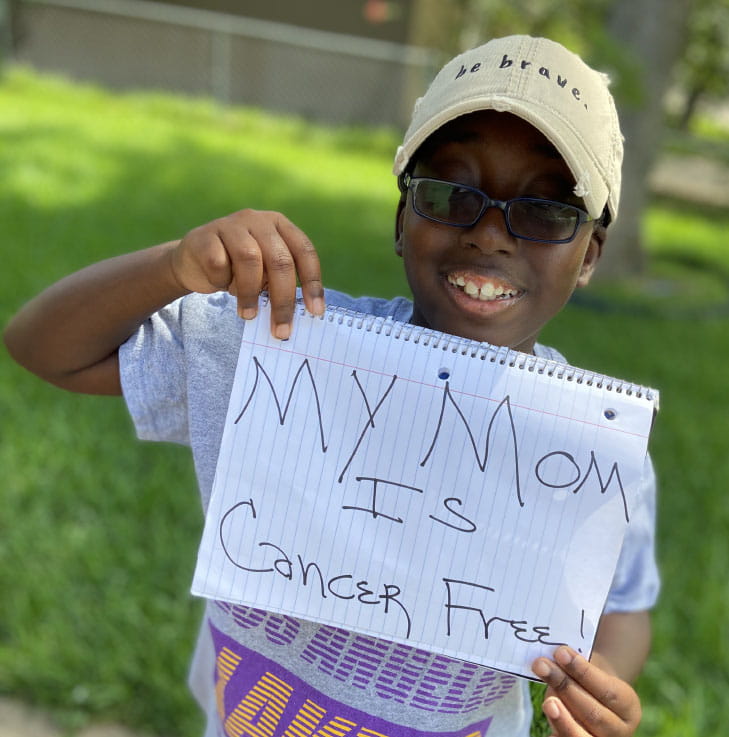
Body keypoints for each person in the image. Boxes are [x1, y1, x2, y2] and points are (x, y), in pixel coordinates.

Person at [4, 35, 658, 737]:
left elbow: (621, 603)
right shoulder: (276, 347)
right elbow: (42, 347)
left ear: (589, 252)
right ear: (402, 217)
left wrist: (604, 684)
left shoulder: (591, 451)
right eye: (449, 191)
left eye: (544, 210)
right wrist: (174, 268)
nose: (491, 234)